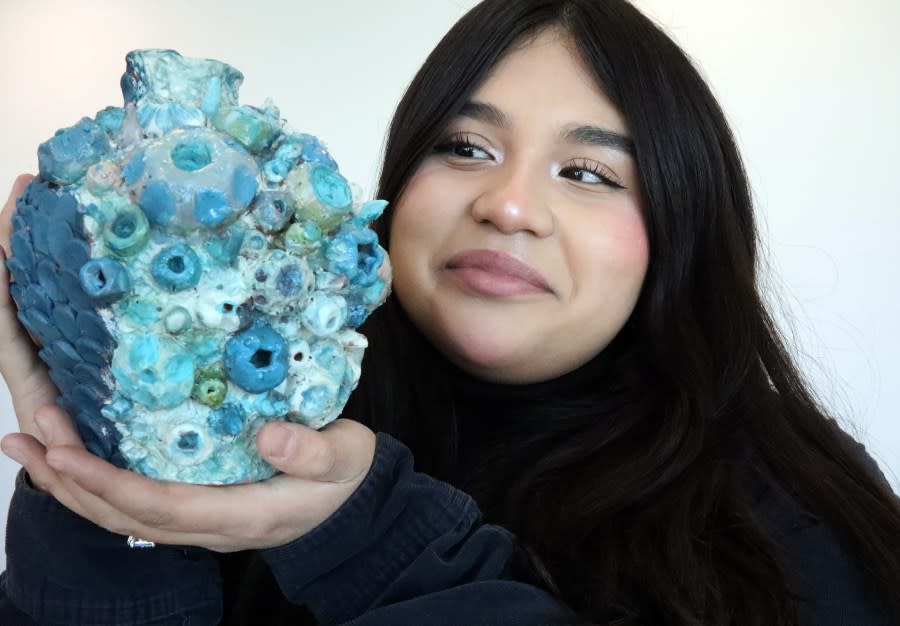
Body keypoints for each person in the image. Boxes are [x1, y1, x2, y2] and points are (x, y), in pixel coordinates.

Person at [0, 0, 898, 624]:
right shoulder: (258, 431)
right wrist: (105, 483)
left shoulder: (794, 516)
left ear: (682, 228)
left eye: (586, 173)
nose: (508, 206)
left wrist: (366, 539)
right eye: (465, 146)